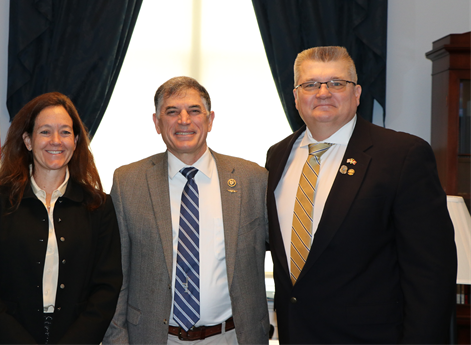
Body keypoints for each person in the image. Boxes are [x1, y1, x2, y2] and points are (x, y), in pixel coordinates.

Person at [266, 46, 457, 344]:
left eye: (337, 83)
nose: (323, 92)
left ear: (356, 94)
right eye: (311, 84)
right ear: (295, 97)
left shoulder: (402, 156)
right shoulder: (277, 157)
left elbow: (431, 274)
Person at [103, 76, 269, 345]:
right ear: (157, 123)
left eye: (194, 111)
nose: (183, 120)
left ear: (210, 120)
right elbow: (115, 275)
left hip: (232, 337)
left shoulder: (254, 179)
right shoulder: (128, 182)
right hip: (155, 338)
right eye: (171, 112)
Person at [0, 92, 122, 345]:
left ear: (77, 140)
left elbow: (107, 287)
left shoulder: (99, 206)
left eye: (65, 132)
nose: (56, 141)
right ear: (27, 140)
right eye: (45, 132)